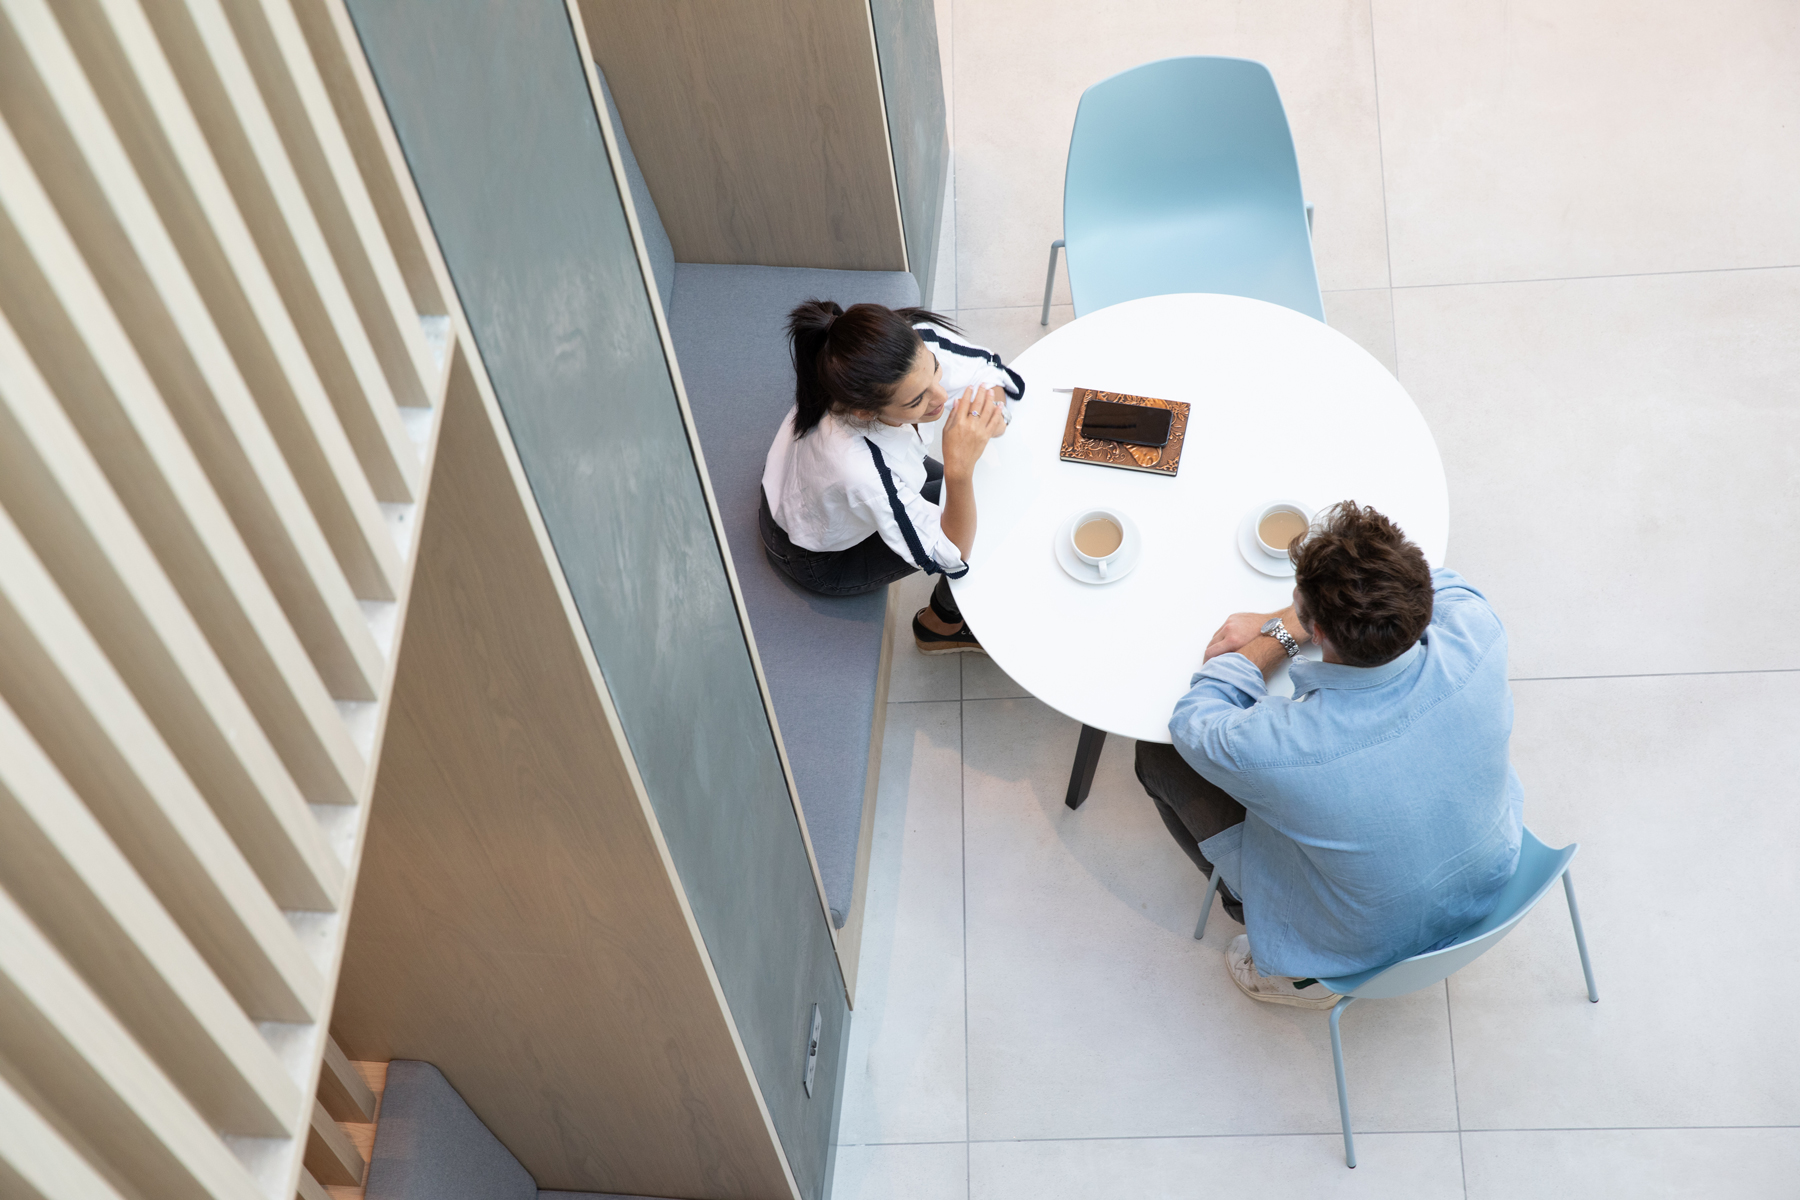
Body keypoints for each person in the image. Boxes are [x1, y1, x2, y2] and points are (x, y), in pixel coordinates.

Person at [1135, 502, 1523, 1009]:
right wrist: (1300, 618)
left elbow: (1193, 719)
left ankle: (1280, 952)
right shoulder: (1480, 634)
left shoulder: (1284, 748)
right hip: (1493, 874)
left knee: (1156, 759)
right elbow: (1442, 579)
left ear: (1316, 630)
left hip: (1354, 946)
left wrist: (1278, 633)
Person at [760, 300, 1024, 653]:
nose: (942, 396)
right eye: (917, 401)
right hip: (814, 555)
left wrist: (994, 415)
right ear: (866, 411)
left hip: (798, 488)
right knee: (978, 522)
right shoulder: (860, 469)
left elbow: (992, 372)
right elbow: (951, 554)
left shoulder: (907, 346)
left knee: (979, 498)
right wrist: (959, 468)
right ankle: (941, 625)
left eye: (935, 370)